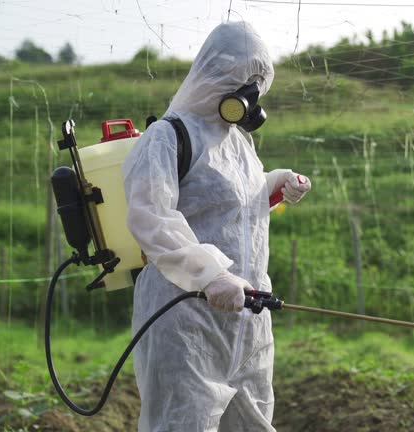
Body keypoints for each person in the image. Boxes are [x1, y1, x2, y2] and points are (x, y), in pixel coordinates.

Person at [122, 22, 311, 432]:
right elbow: (151, 217)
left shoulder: (240, 144)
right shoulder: (167, 137)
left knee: (253, 424)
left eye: (259, 83)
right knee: (182, 423)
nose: (251, 93)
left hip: (247, 319)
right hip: (187, 319)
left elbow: (232, 207)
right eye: (245, 79)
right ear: (218, 73)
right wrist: (210, 275)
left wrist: (274, 183)